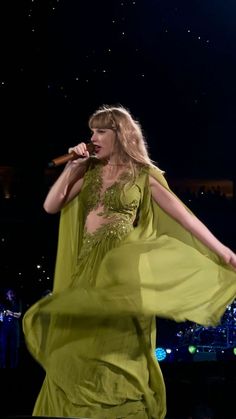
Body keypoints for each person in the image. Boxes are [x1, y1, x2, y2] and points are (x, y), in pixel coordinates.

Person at [23, 105, 236, 419]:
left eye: (100, 131)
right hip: (87, 265)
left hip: (122, 267)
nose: (92, 137)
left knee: (118, 342)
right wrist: (72, 167)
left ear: (119, 135)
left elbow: (186, 219)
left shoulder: (144, 175)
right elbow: (50, 206)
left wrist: (224, 251)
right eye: (92, 130)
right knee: (79, 340)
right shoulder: (88, 170)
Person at [0, 287, 22, 368]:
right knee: (3, 348)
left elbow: (19, 315)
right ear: (6, 295)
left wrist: (11, 313)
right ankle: (3, 365)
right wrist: (3, 314)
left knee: (14, 348)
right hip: (4, 329)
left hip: (14, 328)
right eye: (10, 293)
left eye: (13, 293)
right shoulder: (2, 303)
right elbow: (1, 316)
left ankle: (14, 366)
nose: (12, 294)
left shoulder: (17, 302)